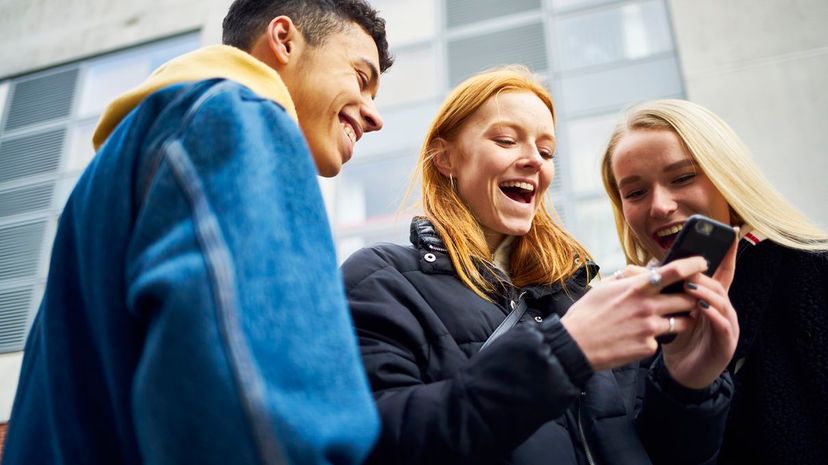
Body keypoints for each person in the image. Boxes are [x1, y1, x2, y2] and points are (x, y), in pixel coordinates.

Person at [3, 1, 393, 464]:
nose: (374, 116)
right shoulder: (240, 119)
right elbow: (253, 413)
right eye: (361, 78)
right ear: (284, 39)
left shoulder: (116, 173)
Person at [341, 66, 739, 465]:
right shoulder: (382, 279)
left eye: (547, 152)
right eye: (506, 140)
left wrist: (690, 386)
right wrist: (564, 353)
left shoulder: (583, 298)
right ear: (446, 158)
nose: (535, 161)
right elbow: (376, 443)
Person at [600, 98, 828, 465]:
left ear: (728, 177)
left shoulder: (814, 269)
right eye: (635, 192)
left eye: (683, 177)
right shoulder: (636, 322)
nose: (659, 206)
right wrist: (682, 385)